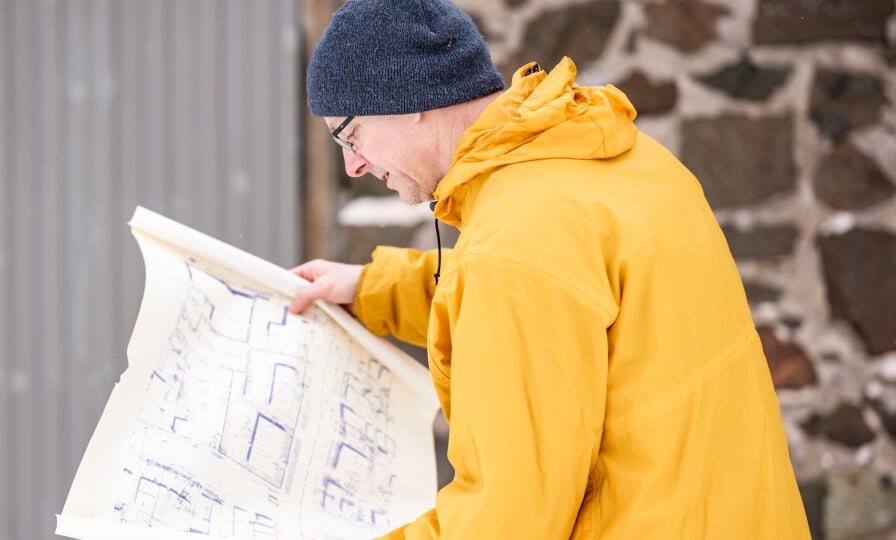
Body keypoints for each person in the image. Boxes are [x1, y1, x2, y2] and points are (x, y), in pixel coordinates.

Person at [288, 0, 811, 538]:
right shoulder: (619, 160)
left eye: (350, 136)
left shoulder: (516, 245)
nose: (354, 164)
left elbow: (508, 520)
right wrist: (375, 288)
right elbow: (552, 299)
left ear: (404, 98)